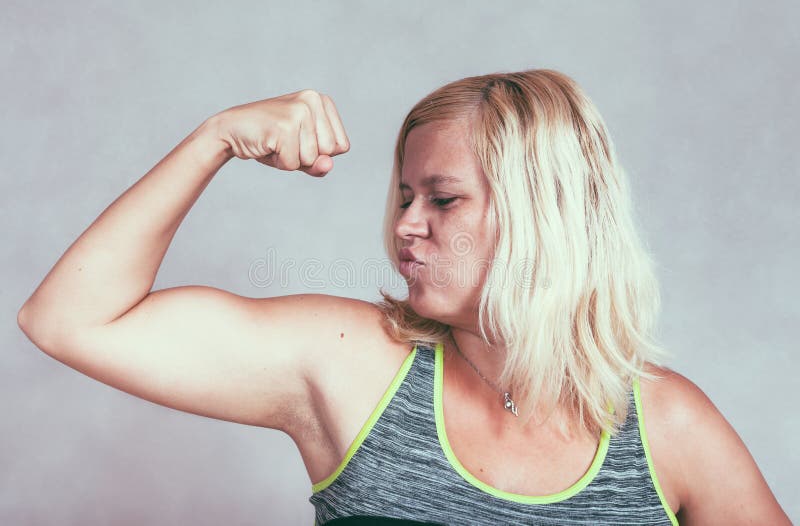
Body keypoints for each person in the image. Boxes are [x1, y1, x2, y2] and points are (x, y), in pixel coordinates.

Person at [17, 69, 790, 525]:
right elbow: (67, 320)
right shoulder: (353, 365)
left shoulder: (666, 427)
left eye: (443, 201)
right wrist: (215, 137)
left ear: (545, 212)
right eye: (403, 196)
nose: (405, 226)